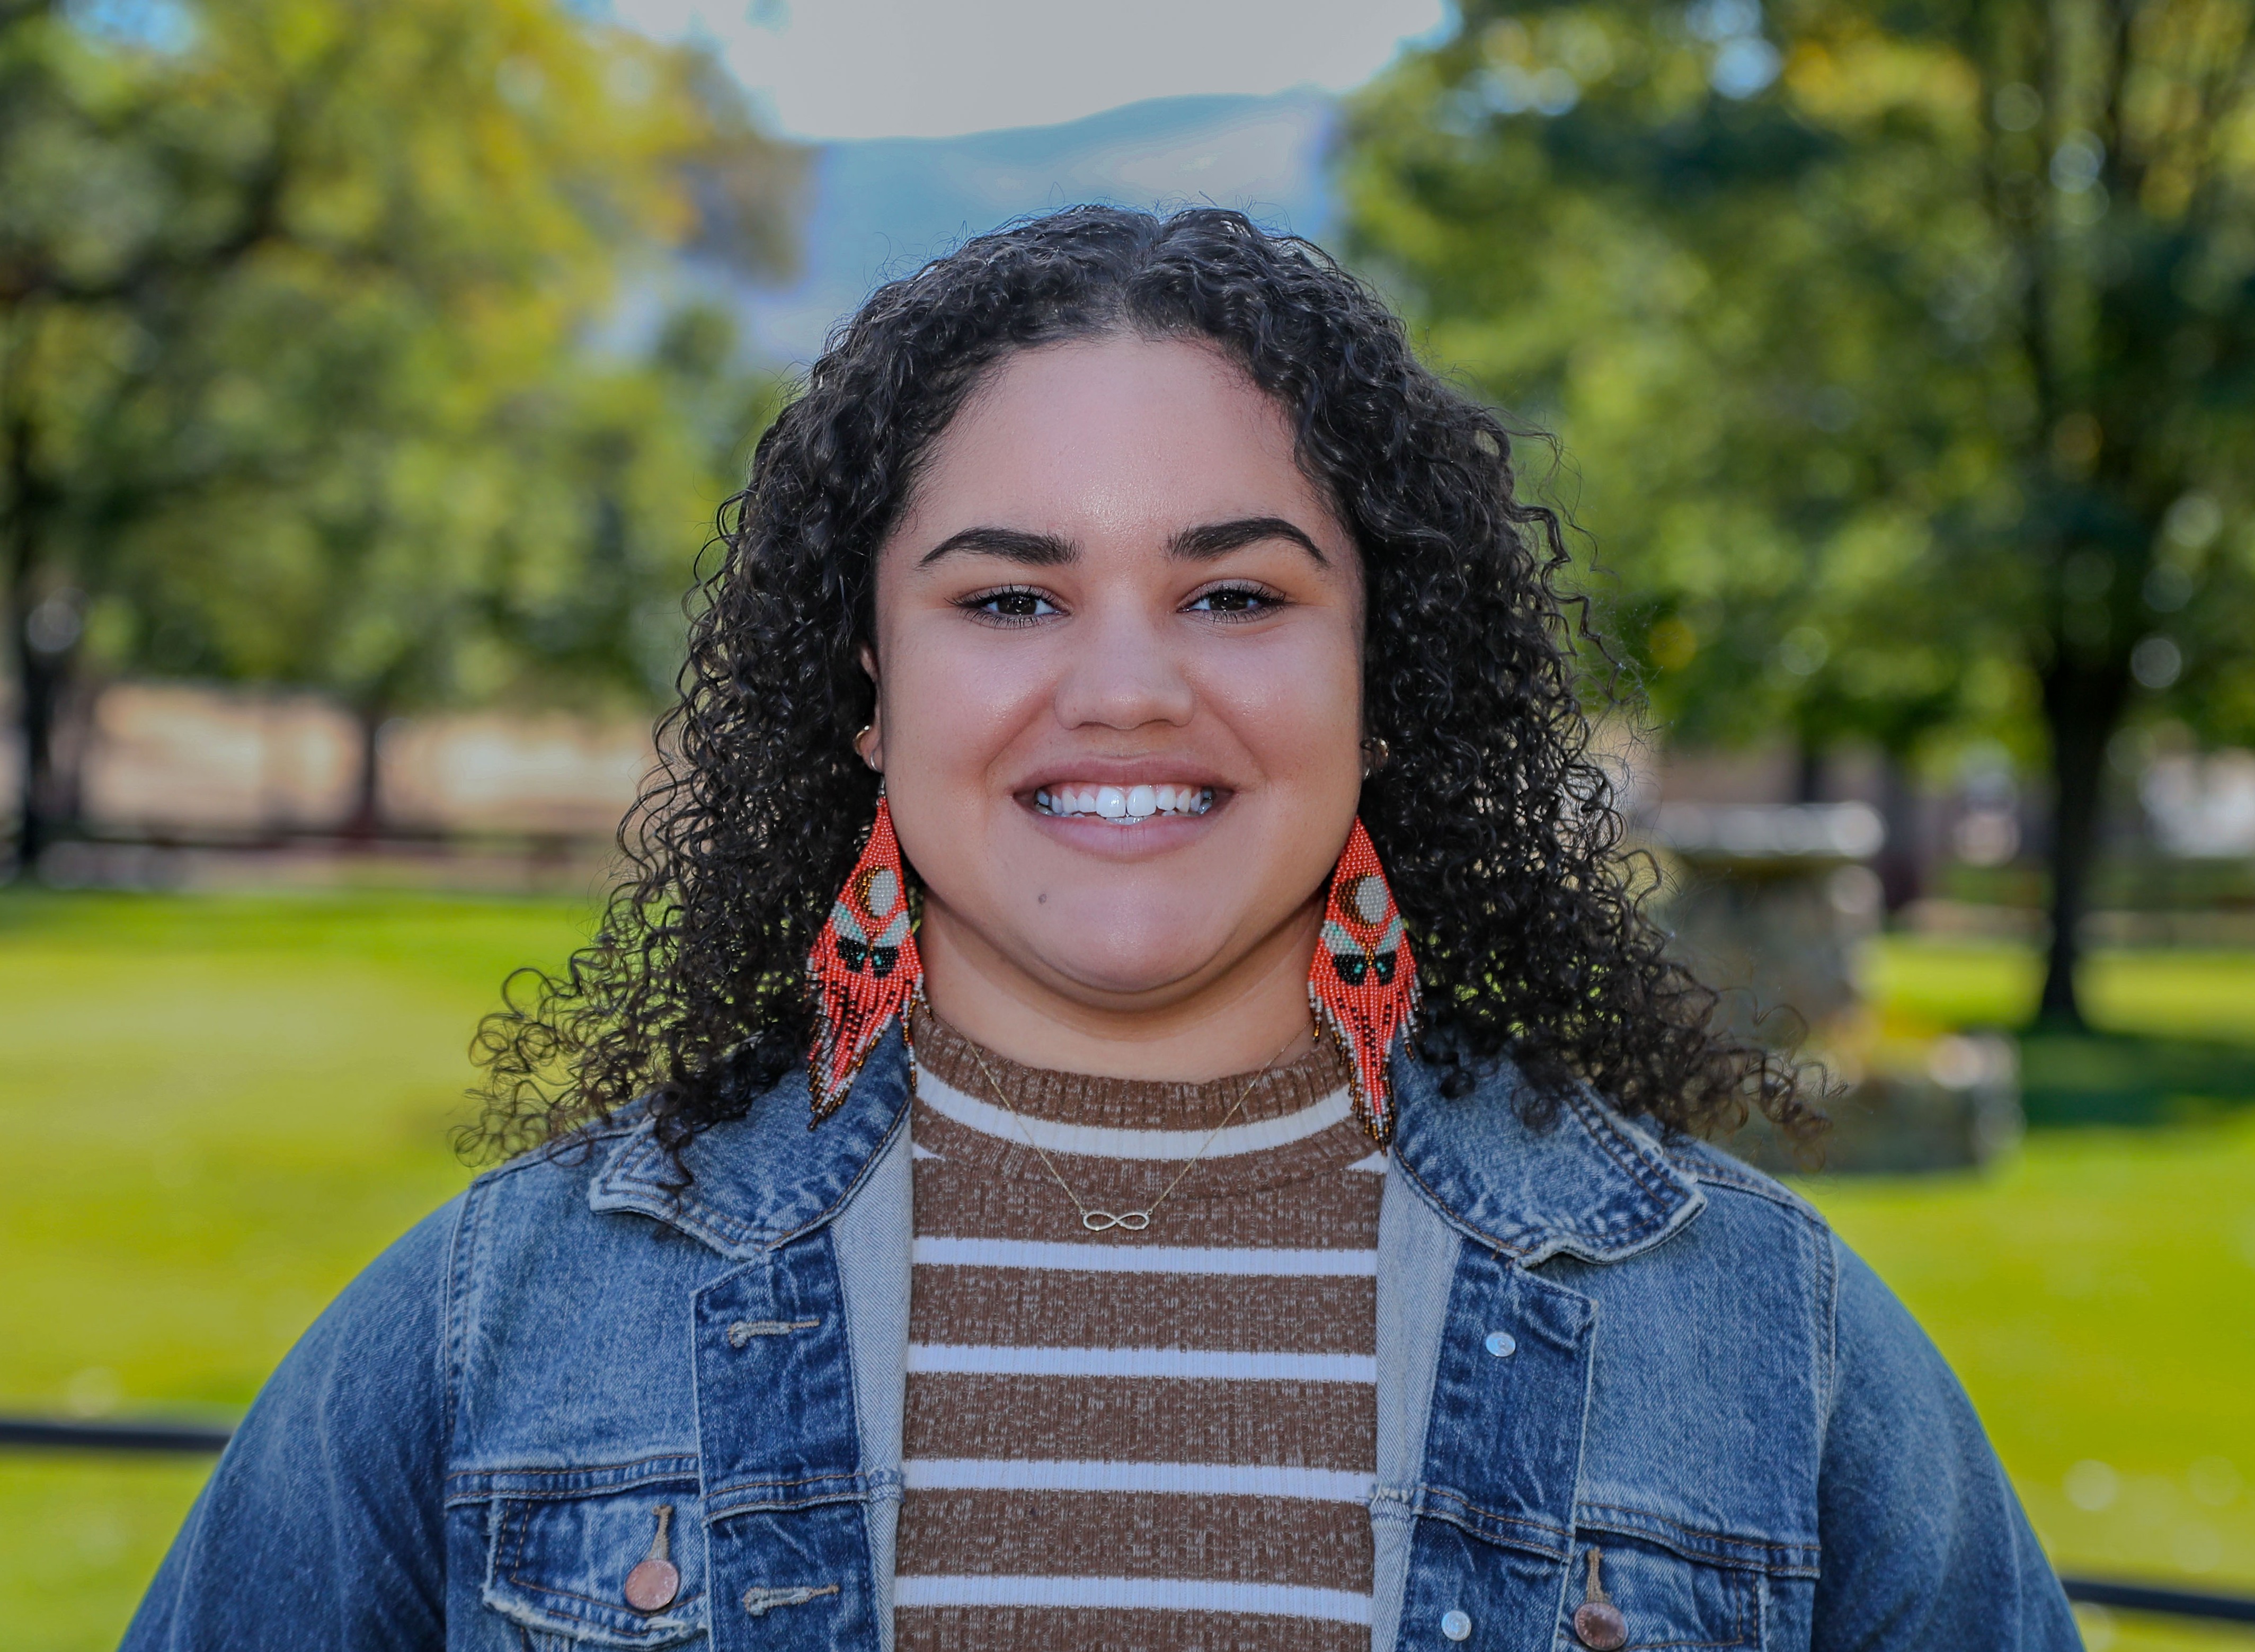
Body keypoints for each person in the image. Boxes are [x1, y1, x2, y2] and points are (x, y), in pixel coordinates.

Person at [123, 206, 2076, 1652]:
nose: (1128, 687)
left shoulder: (1754, 1339)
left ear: (1382, 681)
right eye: (1009, 598)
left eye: (1236, 596)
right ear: (867, 690)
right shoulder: (506, 1330)